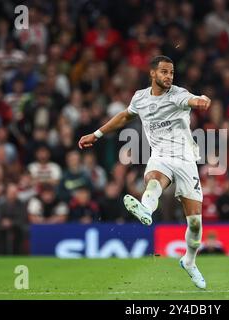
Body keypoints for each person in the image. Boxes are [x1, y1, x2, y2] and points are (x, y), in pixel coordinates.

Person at [78, 55, 211, 289]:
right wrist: (96, 134)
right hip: (161, 157)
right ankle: (146, 209)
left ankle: (189, 262)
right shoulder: (140, 98)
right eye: (164, 72)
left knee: (195, 225)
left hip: (186, 160)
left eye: (171, 72)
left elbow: (194, 101)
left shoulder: (178, 95)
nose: (169, 76)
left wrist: (202, 100)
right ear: (152, 73)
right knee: (153, 181)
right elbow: (124, 116)